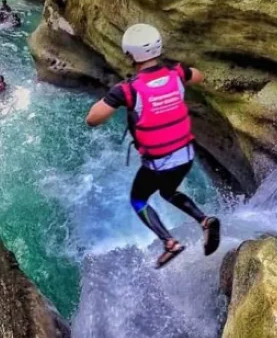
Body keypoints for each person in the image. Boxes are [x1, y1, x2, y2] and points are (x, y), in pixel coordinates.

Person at [85, 23, 221, 269]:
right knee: (167, 192)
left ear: (129, 55)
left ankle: (170, 242)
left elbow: (92, 119)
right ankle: (204, 220)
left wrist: (113, 97)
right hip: (186, 155)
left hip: (159, 162)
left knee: (138, 199)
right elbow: (198, 75)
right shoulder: (177, 74)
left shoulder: (127, 90)